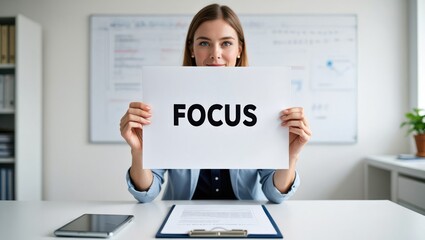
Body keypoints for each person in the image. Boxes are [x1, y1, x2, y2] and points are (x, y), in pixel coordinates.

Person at [119, 4, 312, 204]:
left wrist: (290, 155)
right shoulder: (169, 101)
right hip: (179, 218)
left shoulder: (261, 103)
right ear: (191, 49)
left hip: (247, 220)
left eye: (226, 43)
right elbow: (147, 193)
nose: (215, 53)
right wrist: (139, 151)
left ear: (239, 49)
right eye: (204, 43)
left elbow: (274, 194)